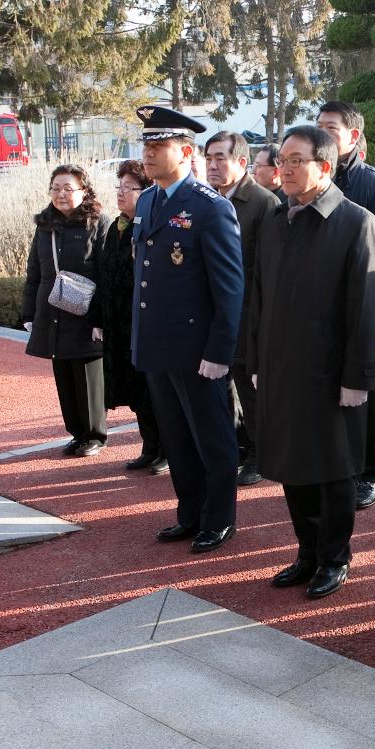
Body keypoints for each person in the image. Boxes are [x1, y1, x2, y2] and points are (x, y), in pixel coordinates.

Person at [249, 125, 375, 600]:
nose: (283, 169)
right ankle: (306, 552)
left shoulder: (356, 223)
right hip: (282, 369)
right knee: (292, 464)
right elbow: (258, 298)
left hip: (331, 375)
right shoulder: (276, 220)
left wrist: (358, 378)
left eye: (295, 160)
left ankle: (334, 557)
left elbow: (368, 309)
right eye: (281, 160)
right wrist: (255, 358)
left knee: (332, 470)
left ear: (324, 167)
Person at [132, 105, 244, 554]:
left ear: (184, 151)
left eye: (157, 146)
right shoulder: (147, 199)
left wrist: (219, 352)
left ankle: (219, 519)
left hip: (198, 350)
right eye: (146, 145)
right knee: (176, 436)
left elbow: (229, 289)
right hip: (159, 345)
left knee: (212, 437)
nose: (148, 154)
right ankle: (190, 512)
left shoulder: (209, 208)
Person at [317, 100, 375, 511]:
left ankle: (369, 473)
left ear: (354, 136)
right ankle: (337, 466)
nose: (323, 133)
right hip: (321, 311)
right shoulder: (310, 181)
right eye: (319, 126)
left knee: (366, 397)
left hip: (364, 306)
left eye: (332, 128)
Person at [204, 130, 280, 487]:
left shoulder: (262, 203)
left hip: (249, 313)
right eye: (209, 158)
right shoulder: (207, 200)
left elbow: (269, 267)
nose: (213, 165)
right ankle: (239, 448)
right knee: (226, 387)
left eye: (221, 158)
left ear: (241, 163)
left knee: (251, 388)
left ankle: (261, 453)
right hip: (215, 313)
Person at [21, 164, 109, 456]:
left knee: (87, 373)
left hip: (86, 314)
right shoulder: (45, 226)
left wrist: (101, 318)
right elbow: (35, 271)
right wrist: (29, 313)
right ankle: (76, 432)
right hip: (53, 312)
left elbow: (107, 274)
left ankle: (94, 434)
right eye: (56, 188)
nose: (60, 194)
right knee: (63, 372)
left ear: (84, 191)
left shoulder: (98, 224)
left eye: (68, 188)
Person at [99, 160, 165, 474]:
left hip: (144, 322)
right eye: (119, 187)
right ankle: (149, 447)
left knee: (152, 391)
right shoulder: (117, 226)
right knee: (135, 392)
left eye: (130, 188)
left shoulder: (150, 225)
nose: (122, 193)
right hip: (119, 322)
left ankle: (166, 449)